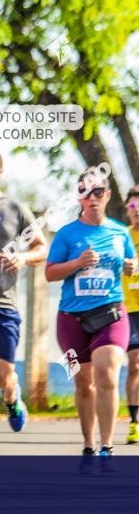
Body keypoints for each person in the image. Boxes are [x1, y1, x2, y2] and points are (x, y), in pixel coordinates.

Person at [45, 170, 136, 471]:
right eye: (84, 192)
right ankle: (88, 445)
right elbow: (49, 273)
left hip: (111, 314)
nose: (91, 198)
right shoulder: (66, 234)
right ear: (78, 197)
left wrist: (130, 267)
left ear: (107, 195)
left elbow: (131, 265)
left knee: (107, 375)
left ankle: (107, 448)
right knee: (83, 384)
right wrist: (77, 263)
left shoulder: (120, 233)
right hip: (70, 320)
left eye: (97, 192)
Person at [0, 147, 47, 454]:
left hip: (4, 302)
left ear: (0, 171)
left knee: (3, 377)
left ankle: (12, 398)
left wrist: (24, 258)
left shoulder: (15, 208)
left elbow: (42, 247)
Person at [122, 185, 139, 444]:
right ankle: (135, 422)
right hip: (128, 309)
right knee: (135, 363)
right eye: (134, 206)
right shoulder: (119, 236)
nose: (137, 211)